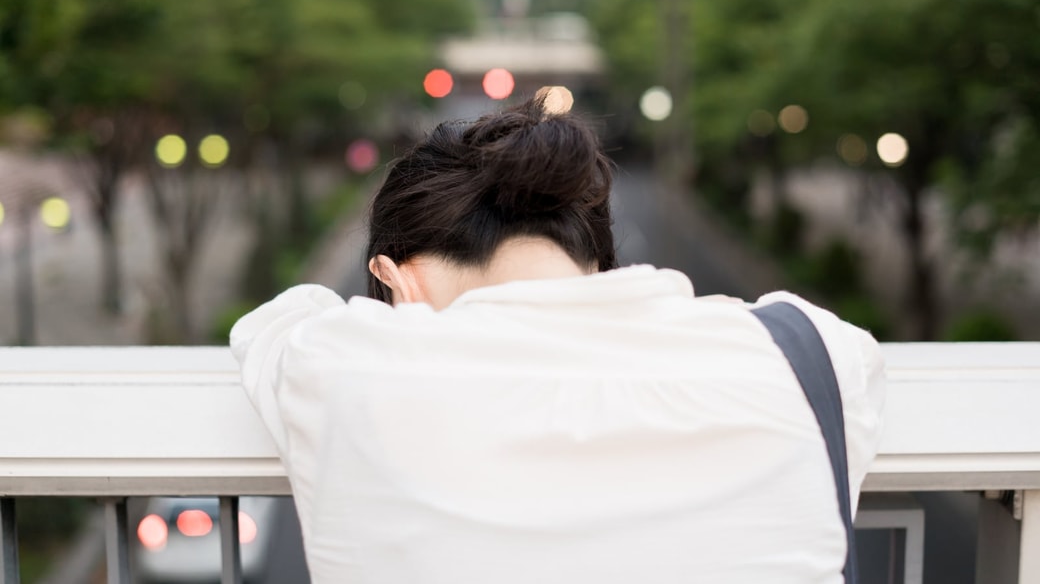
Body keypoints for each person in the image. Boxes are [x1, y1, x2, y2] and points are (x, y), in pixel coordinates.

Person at [230, 94, 885, 584]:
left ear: (394, 279)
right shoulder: (805, 353)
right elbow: (832, 343)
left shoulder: (345, 367)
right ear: (595, 258)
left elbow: (279, 319)